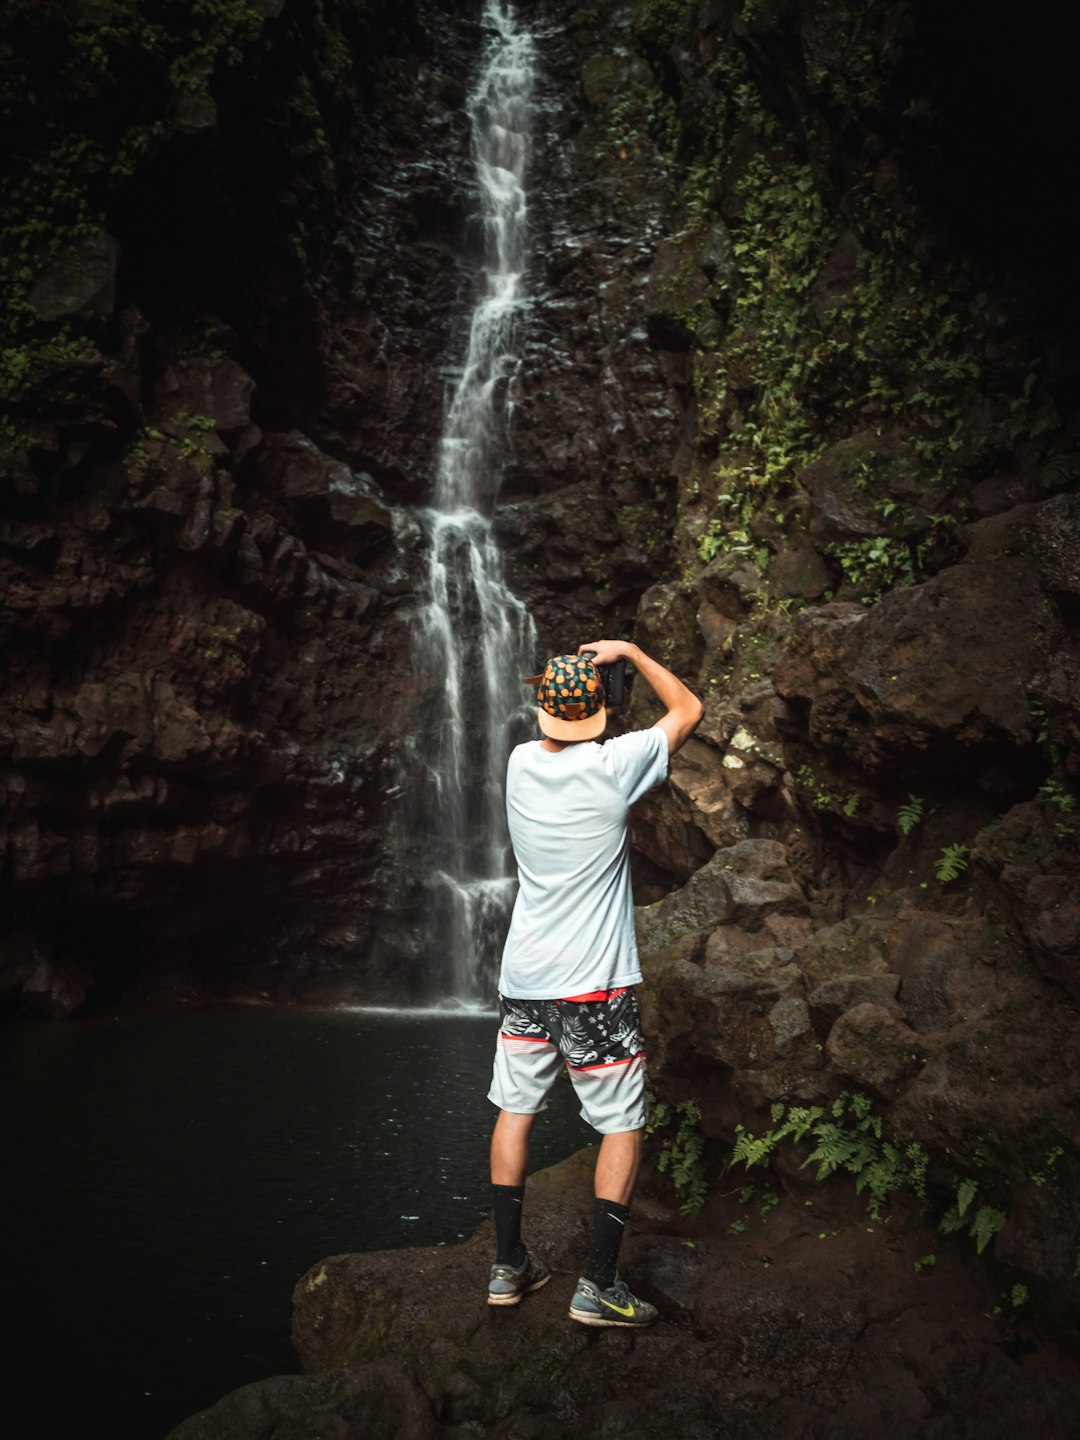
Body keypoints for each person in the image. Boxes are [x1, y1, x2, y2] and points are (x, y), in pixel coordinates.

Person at [485, 638, 704, 1326]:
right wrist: (633, 652)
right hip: (594, 988)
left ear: (544, 708)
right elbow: (688, 708)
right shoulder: (616, 765)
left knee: (514, 1112)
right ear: (603, 714)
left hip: (525, 980)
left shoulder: (519, 762)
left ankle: (506, 1266)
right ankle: (599, 1285)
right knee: (622, 1124)